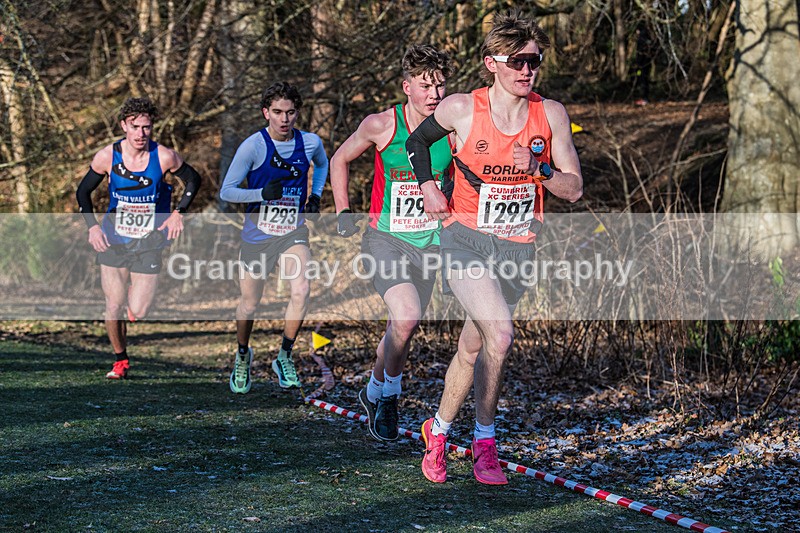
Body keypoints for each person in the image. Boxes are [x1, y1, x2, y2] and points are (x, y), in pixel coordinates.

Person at [406, 10, 583, 485]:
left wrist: (540, 171)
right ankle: (485, 443)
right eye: (518, 61)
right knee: (500, 335)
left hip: (516, 249)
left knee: (473, 346)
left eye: (535, 61)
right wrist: (427, 186)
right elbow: (417, 143)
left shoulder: (552, 115)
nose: (527, 70)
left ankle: (438, 431)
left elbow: (574, 189)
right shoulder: (463, 108)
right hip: (464, 240)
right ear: (492, 63)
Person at [330, 45, 454, 441]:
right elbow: (339, 159)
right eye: (426, 86)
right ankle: (390, 397)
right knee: (406, 315)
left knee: (400, 329)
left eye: (440, 85)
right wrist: (343, 209)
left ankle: (372, 390)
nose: (435, 94)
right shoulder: (383, 124)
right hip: (385, 237)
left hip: (430, 243)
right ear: (407, 87)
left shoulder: (453, 128)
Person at [76, 97, 202, 379]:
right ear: (124, 126)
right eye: (135, 127)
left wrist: (179, 212)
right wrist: (92, 227)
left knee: (139, 309)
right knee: (113, 304)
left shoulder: (164, 156)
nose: (141, 134)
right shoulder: (107, 156)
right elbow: (82, 192)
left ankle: (133, 295)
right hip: (113, 238)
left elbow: (194, 180)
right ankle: (120, 361)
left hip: (149, 241)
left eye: (147, 127)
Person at [220, 82, 328, 394]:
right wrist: (260, 194)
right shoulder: (253, 146)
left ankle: (284, 355)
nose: (284, 119)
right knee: (250, 303)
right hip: (257, 235)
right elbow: (227, 190)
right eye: (278, 112)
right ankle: (243, 354)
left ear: (297, 113)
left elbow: (321, 165)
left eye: (290, 112)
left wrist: (317, 194)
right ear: (266, 112)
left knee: (302, 289)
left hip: (292, 231)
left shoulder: (310, 142)